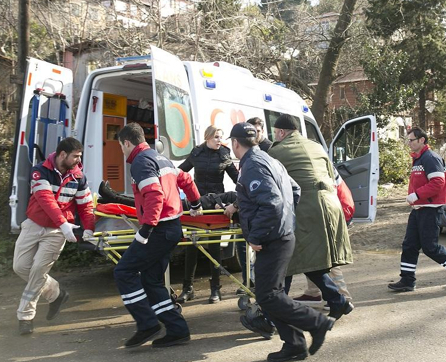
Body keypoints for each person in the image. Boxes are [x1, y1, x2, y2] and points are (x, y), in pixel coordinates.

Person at [229, 122, 335, 362]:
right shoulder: (269, 160)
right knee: (270, 295)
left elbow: (272, 203)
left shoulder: (253, 166)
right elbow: (294, 190)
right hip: (281, 235)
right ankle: (295, 344)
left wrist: (256, 236)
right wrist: (286, 220)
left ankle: (316, 323)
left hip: (272, 239)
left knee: (268, 296)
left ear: (235, 143)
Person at [114, 123, 202, 348]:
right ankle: (177, 330)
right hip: (172, 228)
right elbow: (186, 179)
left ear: (127, 142)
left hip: (158, 229)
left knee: (123, 271)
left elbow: (154, 195)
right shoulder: (160, 158)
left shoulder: (141, 162)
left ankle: (146, 323)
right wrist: (195, 203)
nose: (122, 152)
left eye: (121, 147)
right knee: (151, 280)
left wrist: (145, 229)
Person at [268, 114, 354, 320]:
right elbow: (332, 177)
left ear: (280, 132)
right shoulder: (317, 147)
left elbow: (273, 185)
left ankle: (275, 312)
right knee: (312, 260)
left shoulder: (277, 151)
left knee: (288, 257)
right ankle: (337, 301)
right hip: (331, 206)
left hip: (306, 208)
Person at [13, 137, 95, 335]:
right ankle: (56, 293)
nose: (78, 160)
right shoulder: (39, 171)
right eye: (75, 156)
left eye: (80, 156)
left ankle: (26, 316)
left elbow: (86, 205)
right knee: (20, 267)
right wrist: (64, 225)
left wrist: (89, 229)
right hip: (35, 224)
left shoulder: (78, 177)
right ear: (62, 155)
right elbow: (46, 200)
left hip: (57, 232)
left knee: (38, 270)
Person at [388, 127, 446, 292]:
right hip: (419, 209)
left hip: (430, 209)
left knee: (430, 247)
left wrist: (416, 195)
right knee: (409, 245)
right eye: (408, 140)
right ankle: (407, 280)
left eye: (411, 140)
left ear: (422, 140)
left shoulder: (430, 158)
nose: (409, 143)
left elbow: (438, 183)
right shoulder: (419, 158)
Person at [177, 125, 239, 304]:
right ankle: (187, 288)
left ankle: (215, 288)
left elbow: (237, 178)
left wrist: (239, 198)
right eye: (217, 137)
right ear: (207, 137)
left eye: (221, 137)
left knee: (215, 247)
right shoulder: (196, 153)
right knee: (191, 246)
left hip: (215, 204)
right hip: (196, 204)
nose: (220, 140)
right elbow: (181, 172)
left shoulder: (224, 154)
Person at [294, 167, 354, 305]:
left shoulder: (315, 164)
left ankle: (342, 296)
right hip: (334, 206)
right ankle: (313, 292)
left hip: (336, 209)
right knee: (312, 252)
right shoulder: (315, 159)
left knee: (328, 255)